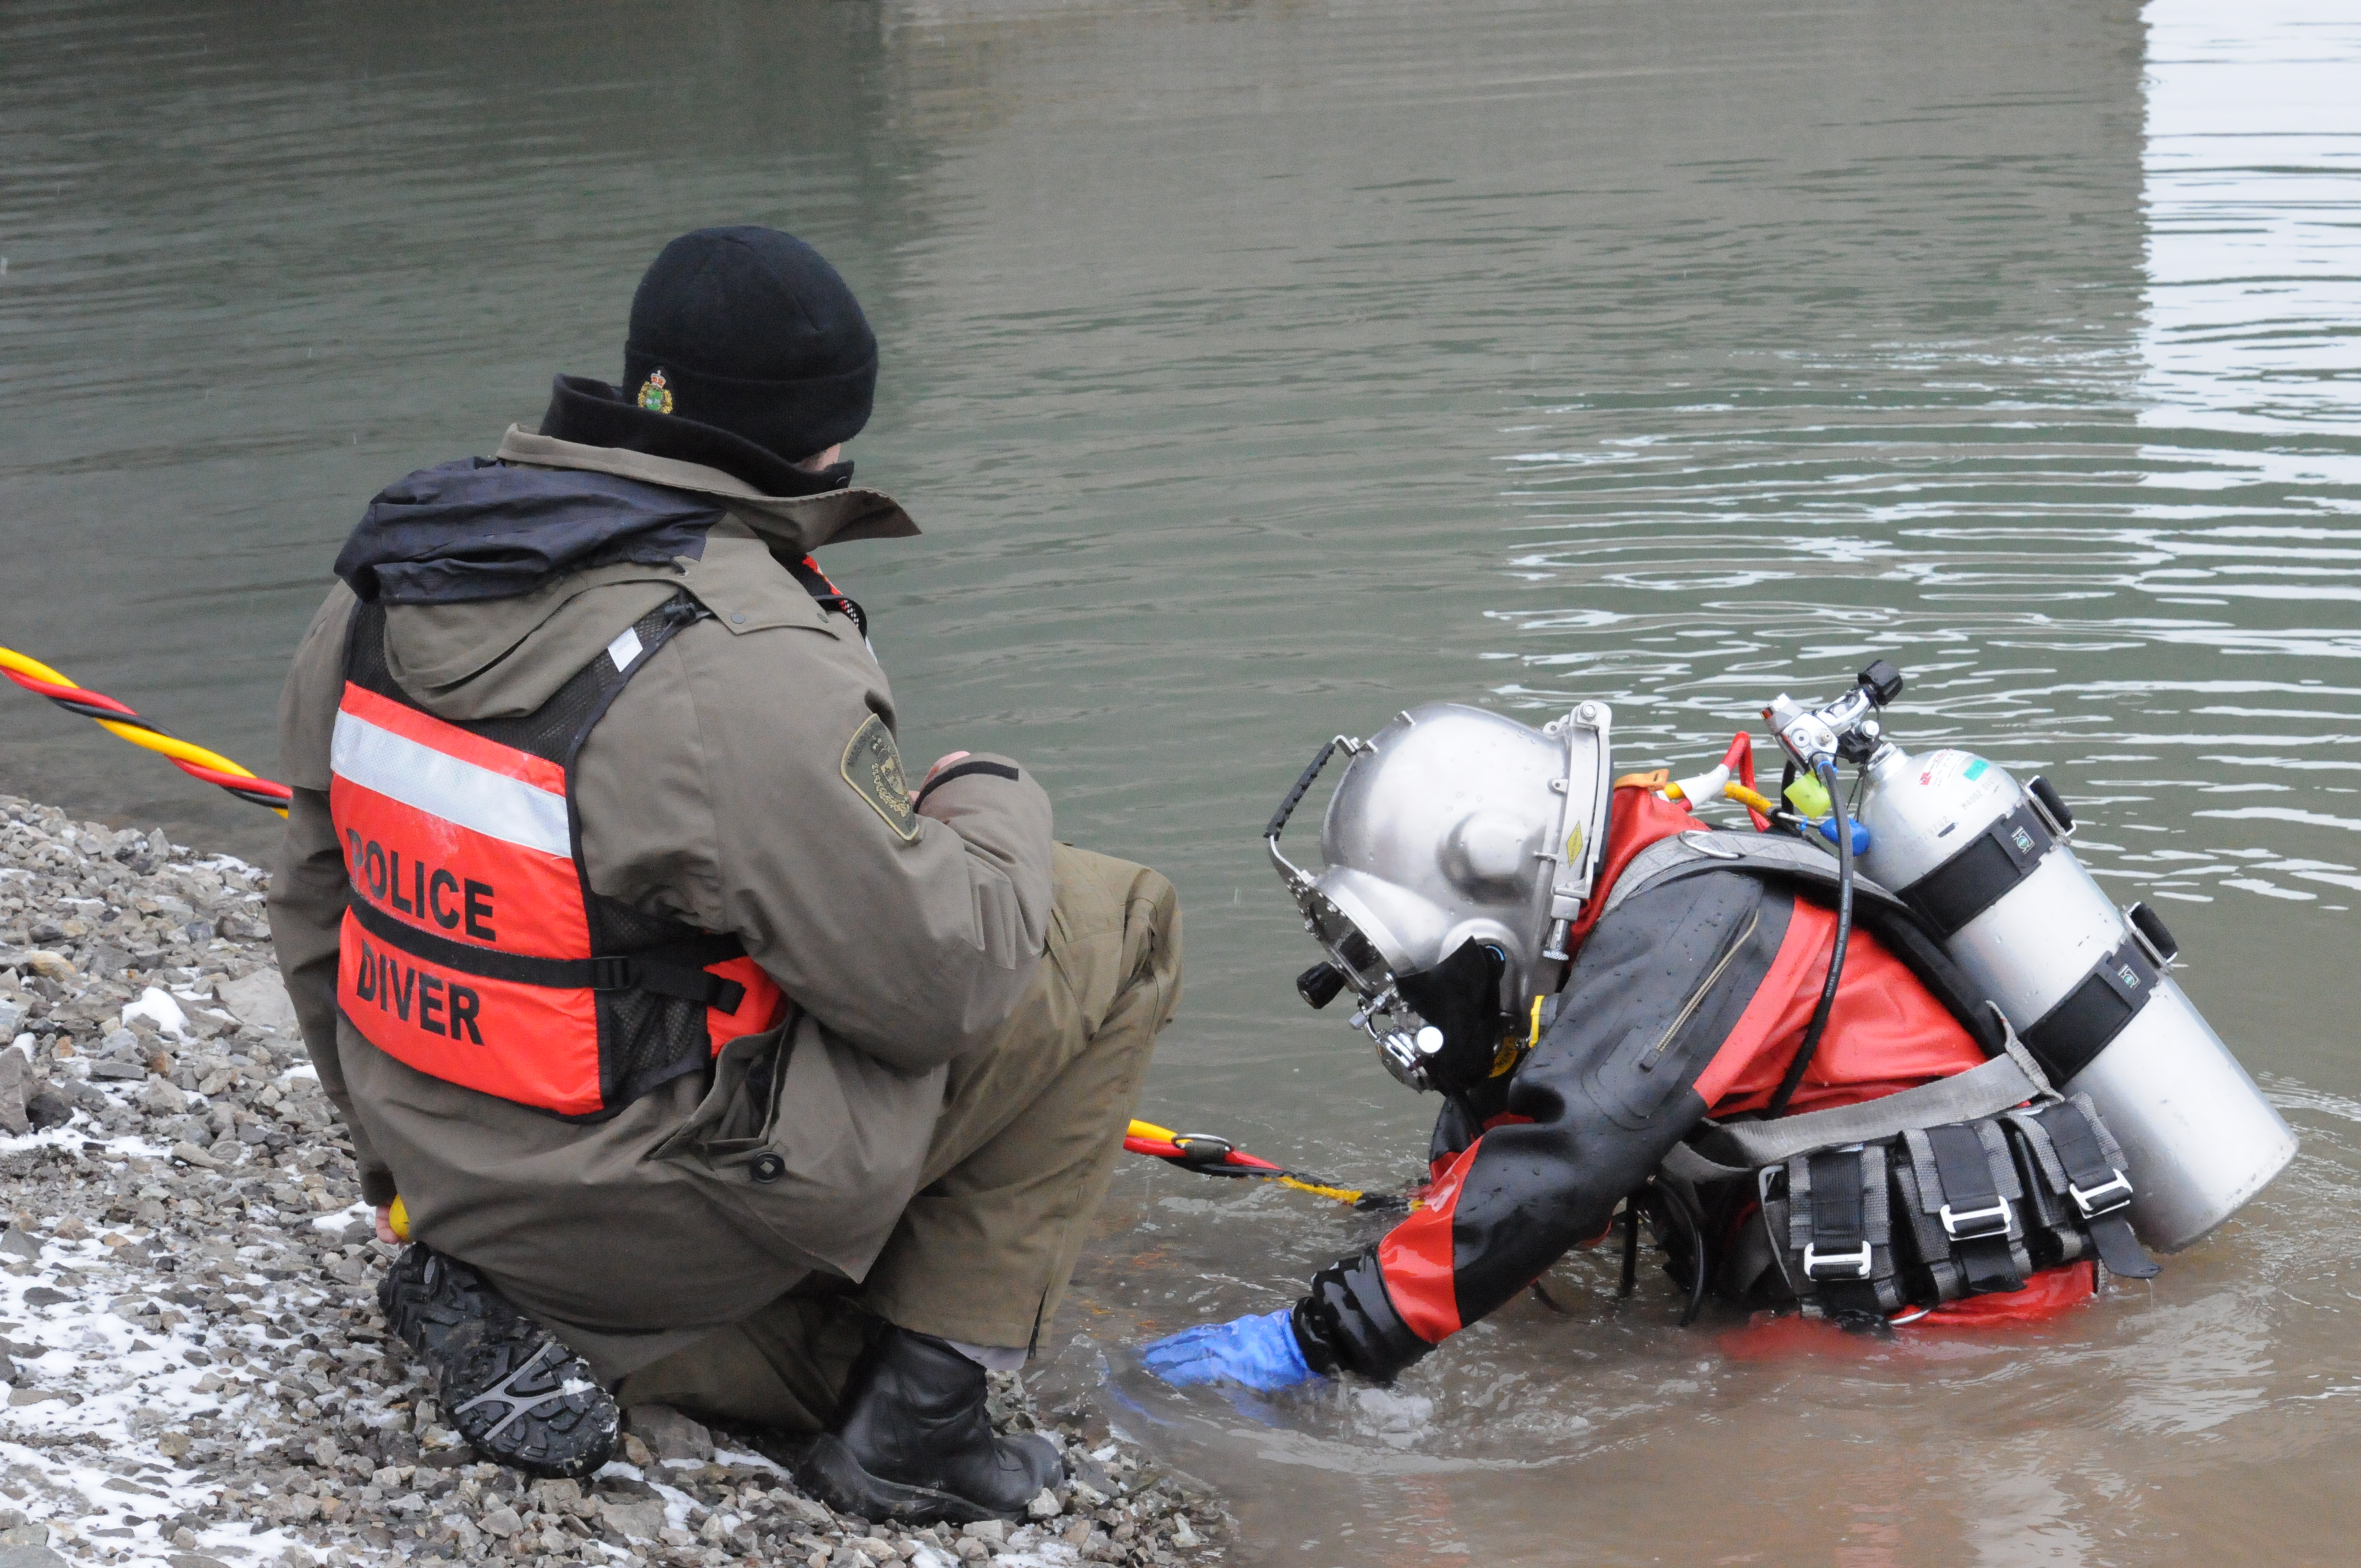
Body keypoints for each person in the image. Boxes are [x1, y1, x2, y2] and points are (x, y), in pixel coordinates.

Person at [266, 226, 1183, 1521]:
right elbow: (940, 989)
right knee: (1109, 917)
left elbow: (313, 908)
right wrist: (990, 799)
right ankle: (911, 1417)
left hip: (452, 1171)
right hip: (650, 1204)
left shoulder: (391, 579)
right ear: (818, 442)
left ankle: (523, 1286)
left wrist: (404, 1174)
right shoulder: (731, 647)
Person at [1143, 701, 2153, 1391]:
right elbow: (1524, 1124)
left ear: (1495, 888)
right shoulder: (1642, 889)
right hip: (1869, 1282)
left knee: (1690, 1437)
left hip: (1973, 1321)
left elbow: (1562, 1169)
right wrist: (1414, 1227)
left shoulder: (1701, 923)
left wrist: (1320, 1339)